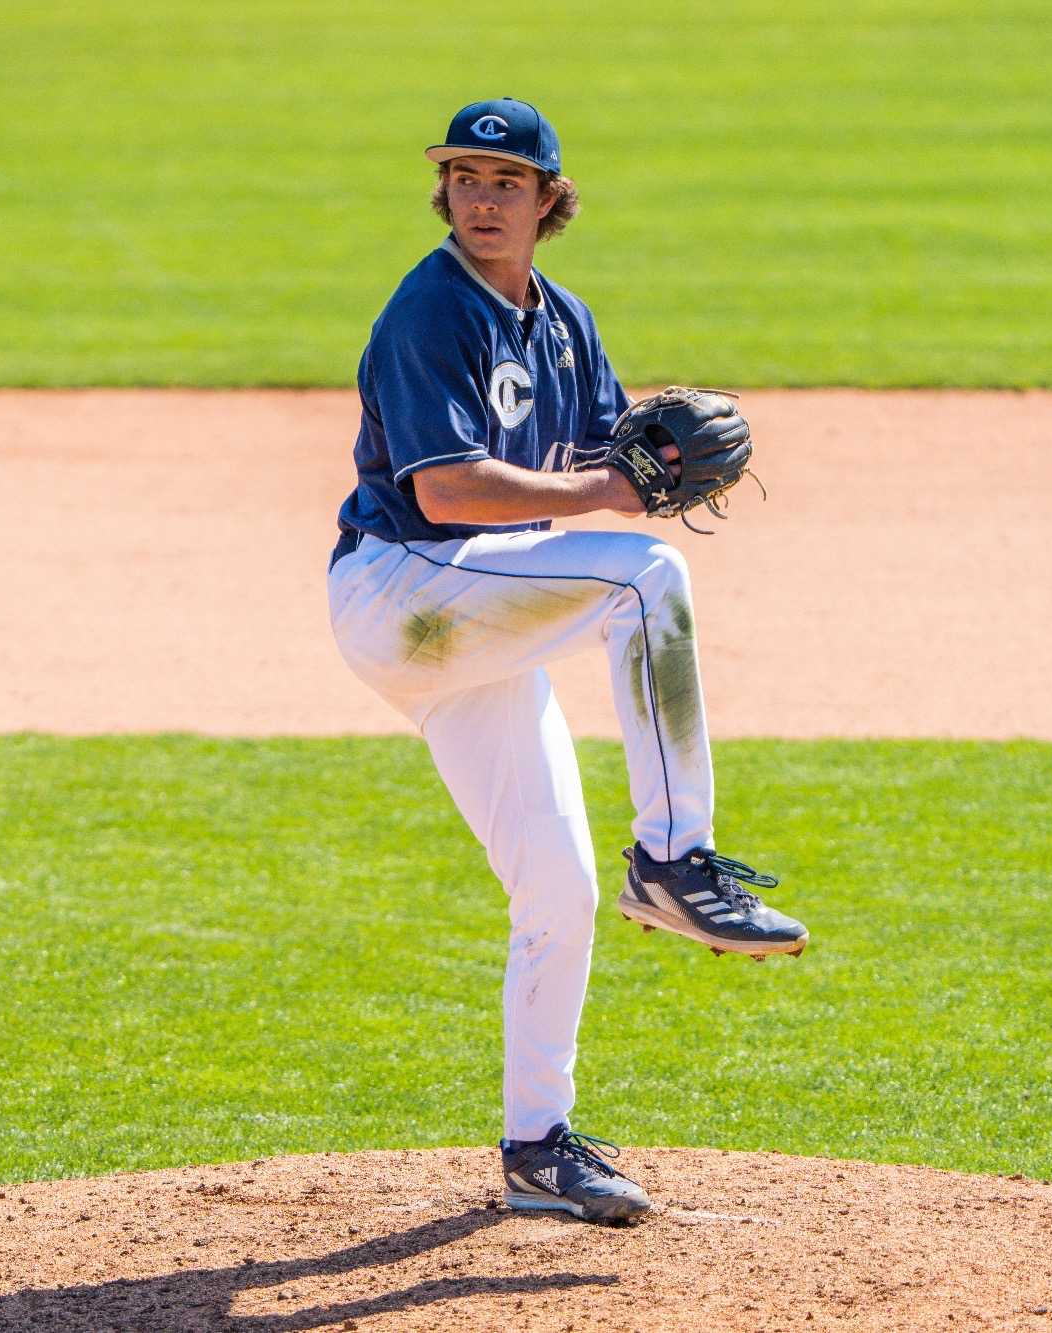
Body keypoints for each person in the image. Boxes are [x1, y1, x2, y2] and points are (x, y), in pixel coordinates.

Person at [326, 98, 809, 1225]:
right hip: (407, 596)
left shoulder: (561, 320)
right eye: (464, 177)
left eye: (506, 180)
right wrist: (610, 493)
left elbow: (605, 451)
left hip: (477, 615)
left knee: (559, 891)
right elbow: (446, 492)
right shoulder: (427, 311)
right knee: (643, 577)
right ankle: (675, 858)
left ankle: (537, 1146)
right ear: (444, 193)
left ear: (549, 200)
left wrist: (648, 452)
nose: (481, 197)